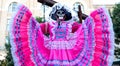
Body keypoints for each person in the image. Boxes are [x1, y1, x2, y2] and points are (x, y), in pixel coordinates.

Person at [9, 3, 114, 66]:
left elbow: (83, 29)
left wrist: (90, 23)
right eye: (58, 13)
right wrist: (31, 24)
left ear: (66, 15)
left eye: (62, 13)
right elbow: (37, 29)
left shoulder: (70, 25)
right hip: (52, 51)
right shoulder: (50, 25)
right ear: (54, 15)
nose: (60, 15)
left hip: (68, 51)